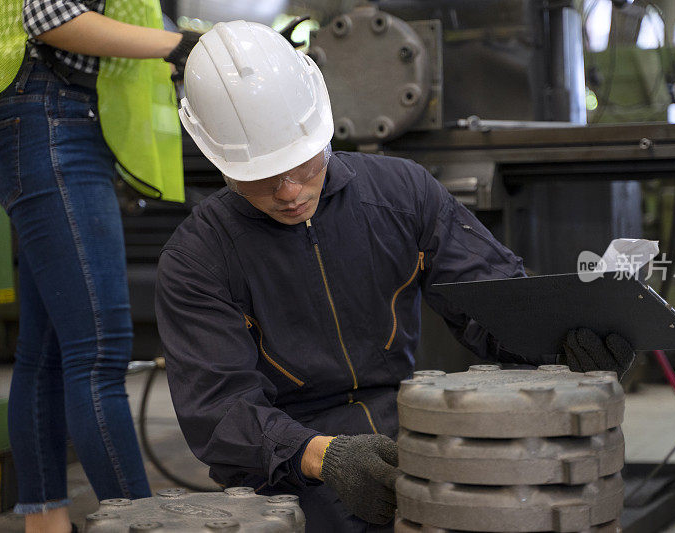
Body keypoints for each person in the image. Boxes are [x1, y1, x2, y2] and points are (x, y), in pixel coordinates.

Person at [155, 21, 635, 533]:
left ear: (324, 126)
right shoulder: (197, 259)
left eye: (303, 165)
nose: (291, 191)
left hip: (408, 432)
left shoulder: (401, 193)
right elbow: (219, 409)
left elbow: (493, 299)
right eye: (262, 178)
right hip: (286, 468)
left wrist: (561, 345)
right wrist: (320, 456)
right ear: (219, 162)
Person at [0, 1, 201, 532]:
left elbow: (130, 18)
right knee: (100, 350)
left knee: (44, 353)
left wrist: (199, 42)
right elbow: (49, 16)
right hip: (50, 115)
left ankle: (45, 523)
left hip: (55, 113)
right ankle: (139, 524)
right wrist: (175, 46)